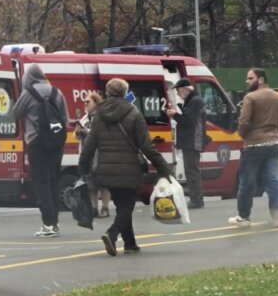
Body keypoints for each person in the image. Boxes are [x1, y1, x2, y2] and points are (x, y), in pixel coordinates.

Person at [77, 77, 171, 257]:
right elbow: (146, 146)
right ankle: (112, 233)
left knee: (122, 205)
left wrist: (83, 168)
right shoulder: (134, 113)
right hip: (129, 169)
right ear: (125, 93)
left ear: (107, 92)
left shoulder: (98, 115)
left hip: (105, 168)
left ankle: (130, 243)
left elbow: (89, 146)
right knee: (127, 206)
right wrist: (163, 168)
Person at [11, 62, 68, 237]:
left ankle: (48, 224)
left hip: (36, 142)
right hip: (56, 142)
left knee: (41, 182)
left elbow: (15, 113)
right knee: (54, 181)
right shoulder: (57, 92)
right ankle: (55, 222)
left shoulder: (28, 93)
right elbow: (65, 118)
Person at [228, 67, 278, 228]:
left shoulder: (250, 97)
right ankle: (277, 216)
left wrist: (241, 133)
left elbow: (244, 121)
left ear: (261, 80)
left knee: (247, 182)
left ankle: (244, 217)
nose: (247, 81)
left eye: (250, 78)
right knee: (273, 180)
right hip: (274, 143)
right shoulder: (276, 96)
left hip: (254, 144)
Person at [74, 95, 111, 218]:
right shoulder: (84, 118)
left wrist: (87, 132)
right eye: (84, 102)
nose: (85, 104)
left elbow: (103, 133)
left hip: (100, 154)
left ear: (96, 103)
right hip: (88, 154)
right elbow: (77, 136)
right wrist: (78, 132)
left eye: (88, 102)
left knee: (103, 183)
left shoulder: (102, 116)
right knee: (90, 183)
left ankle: (105, 208)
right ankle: (94, 208)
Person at [172, 80, 207, 210]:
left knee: (192, 171)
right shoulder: (192, 100)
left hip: (193, 141)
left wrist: (174, 115)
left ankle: (196, 199)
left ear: (185, 89)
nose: (177, 93)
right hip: (190, 141)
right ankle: (196, 198)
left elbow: (188, 121)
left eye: (178, 90)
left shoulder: (195, 101)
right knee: (190, 170)